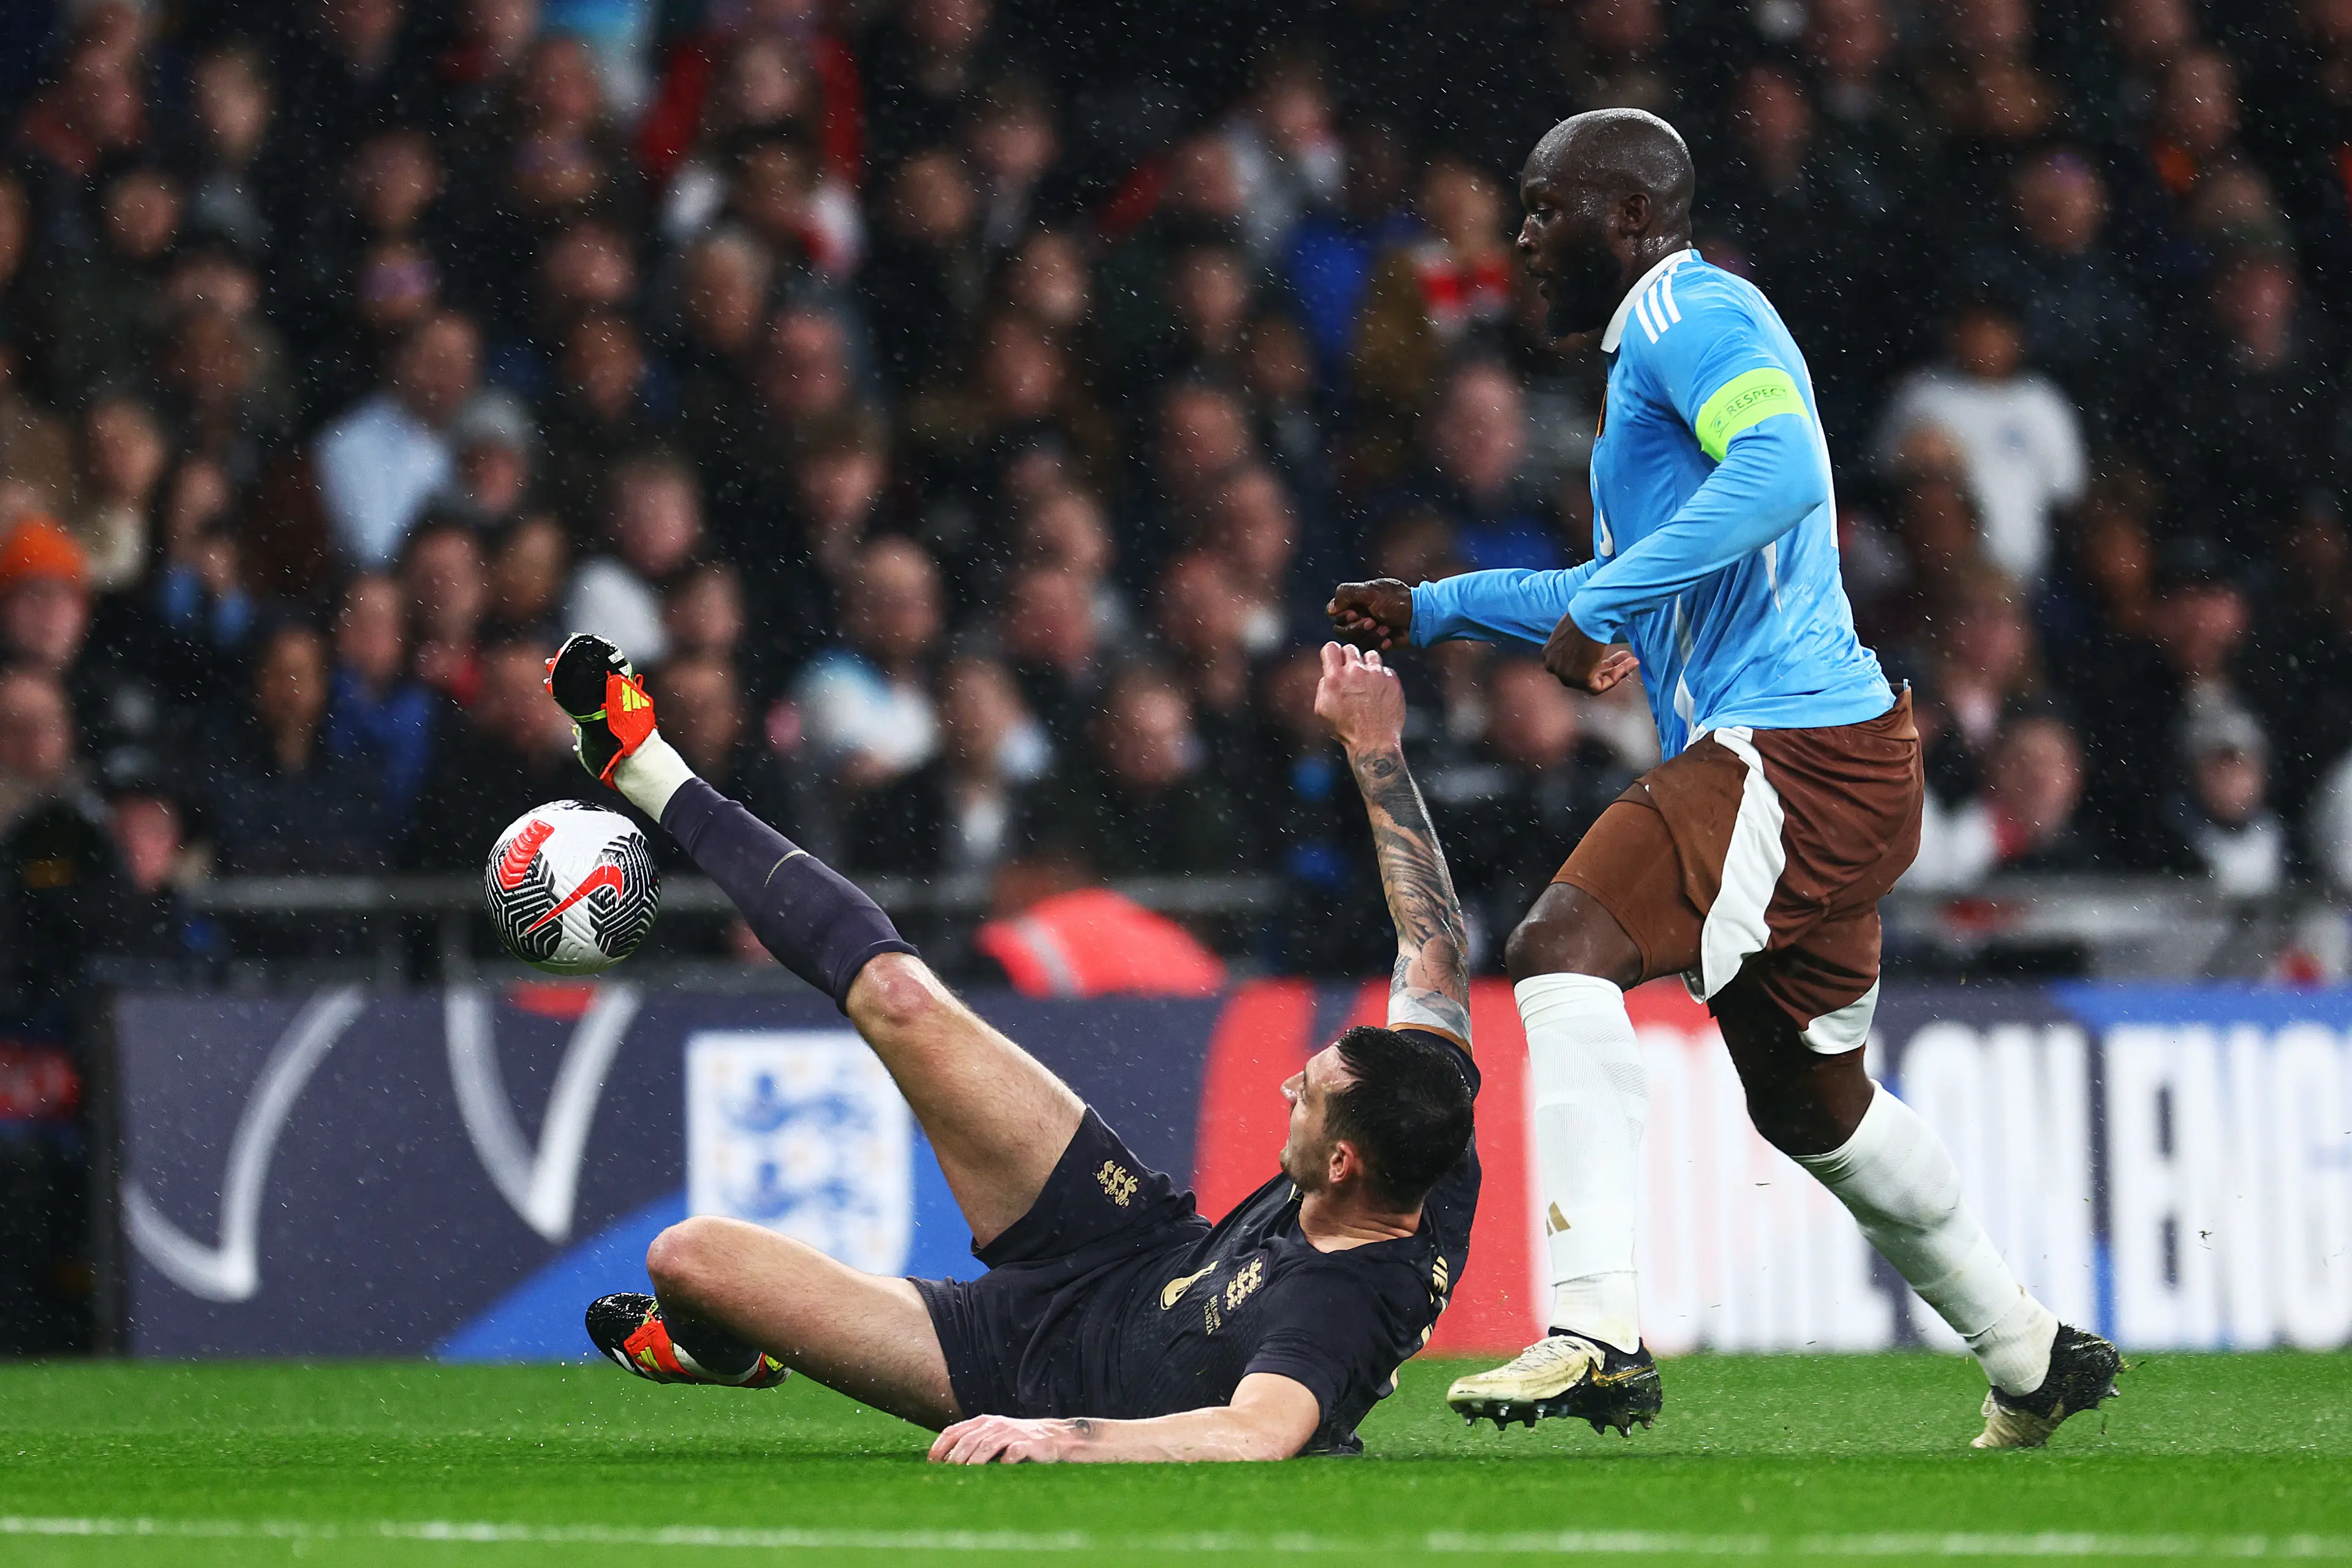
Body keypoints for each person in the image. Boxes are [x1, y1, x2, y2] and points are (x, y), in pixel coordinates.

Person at [1326, 108, 2119, 1450]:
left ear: (1628, 217)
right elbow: (1611, 587)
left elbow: (1785, 467)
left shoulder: (1693, 311)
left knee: (1561, 947)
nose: (1520, 237)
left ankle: (1595, 1332)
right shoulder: (1653, 352)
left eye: (1541, 208)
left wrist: (1618, 596)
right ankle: (2031, 1350)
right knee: (1816, 1106)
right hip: (1838, 755)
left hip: (1795, 750)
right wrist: (1435, 604)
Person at [544, 629, 1477, 1461]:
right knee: (903, 996)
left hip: (1020, 1370)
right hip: (1129, 1242)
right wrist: (1376, 746)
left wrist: (1053, 1435)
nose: (1287, 1089)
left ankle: (710, 1347)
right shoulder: (1425, 1108)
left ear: (1347, 1161)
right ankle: (644, 763)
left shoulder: (1344, 1299)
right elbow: (1433, 943)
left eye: (1308, 1098)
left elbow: (1256, 1433)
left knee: (688, 1259)